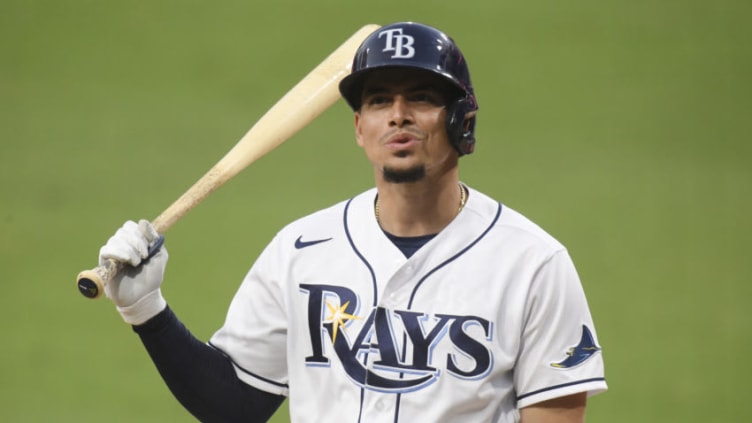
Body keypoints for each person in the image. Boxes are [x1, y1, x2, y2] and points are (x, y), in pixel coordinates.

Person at [98, 21, 607, 423]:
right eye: (379, 100)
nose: (398, 115)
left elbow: (557, 415)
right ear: (360, 129)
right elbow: (235, 406)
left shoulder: (532, 264)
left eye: (422, 98)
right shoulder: (301, 249)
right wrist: (148, 312)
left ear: (462, 121)